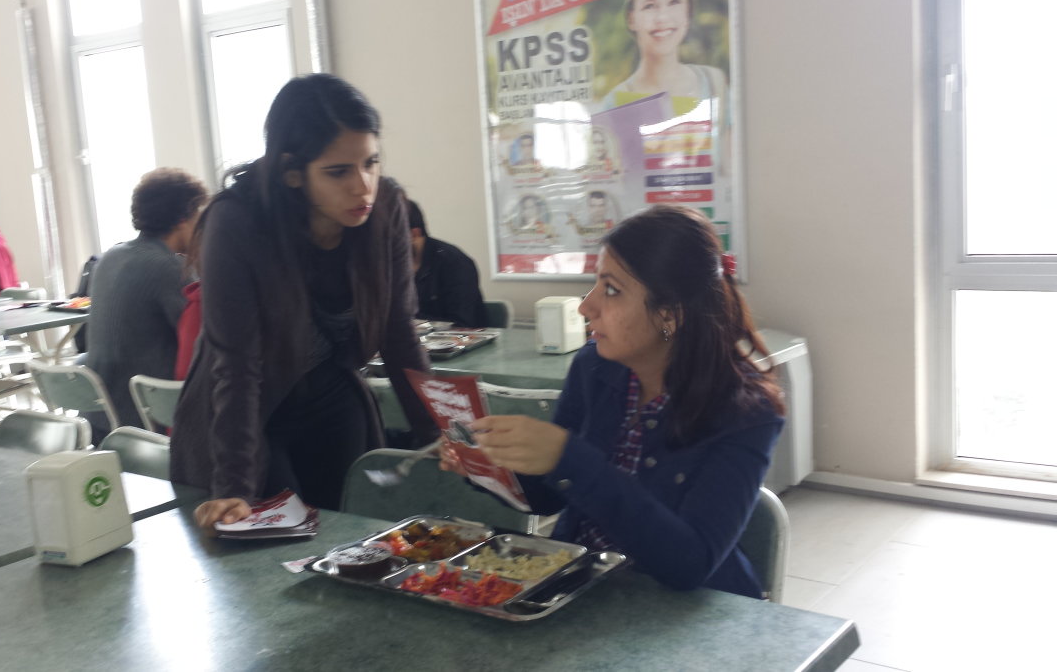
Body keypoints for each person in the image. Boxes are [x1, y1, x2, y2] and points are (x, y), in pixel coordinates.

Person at [465, 204, 784, 598]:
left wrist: (569, 459)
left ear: (669, 316)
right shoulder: (595, 368)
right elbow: (550, 497)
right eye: (596, 284)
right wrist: (488, 464)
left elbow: (689, 564)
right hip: (584, 591)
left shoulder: (747, 410)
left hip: (681, 612)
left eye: (612, 290)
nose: (586, 306)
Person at [170, 73, 437, 525]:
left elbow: (398, 333)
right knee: (269, 541)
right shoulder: (236, 222)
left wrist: (437, 434)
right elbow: (237, 363)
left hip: (329, 393)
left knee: (351, 536)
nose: (363, 186)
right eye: (338, 171)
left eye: (370, 163)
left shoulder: (386, 207)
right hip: (245, 411)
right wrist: (233, 487)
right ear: (292, 171)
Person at [83, 168, 206, 437]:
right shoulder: (169, 268)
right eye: (199, 215)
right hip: (145, 421)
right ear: (183, 217)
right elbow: (204, 339)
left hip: (99, 417)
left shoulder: (110, 257)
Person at [601, 0, 729, 117]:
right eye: (649, 6)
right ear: (631, 19)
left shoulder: (713, 83)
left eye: (674, 2)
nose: (663, 17)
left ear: (687, 12)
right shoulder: (614, 104)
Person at [408, 199, 488, 328]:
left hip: (459, 338)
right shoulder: (391, 267)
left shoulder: (454, 263)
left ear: (414, 234)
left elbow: (462, 324)